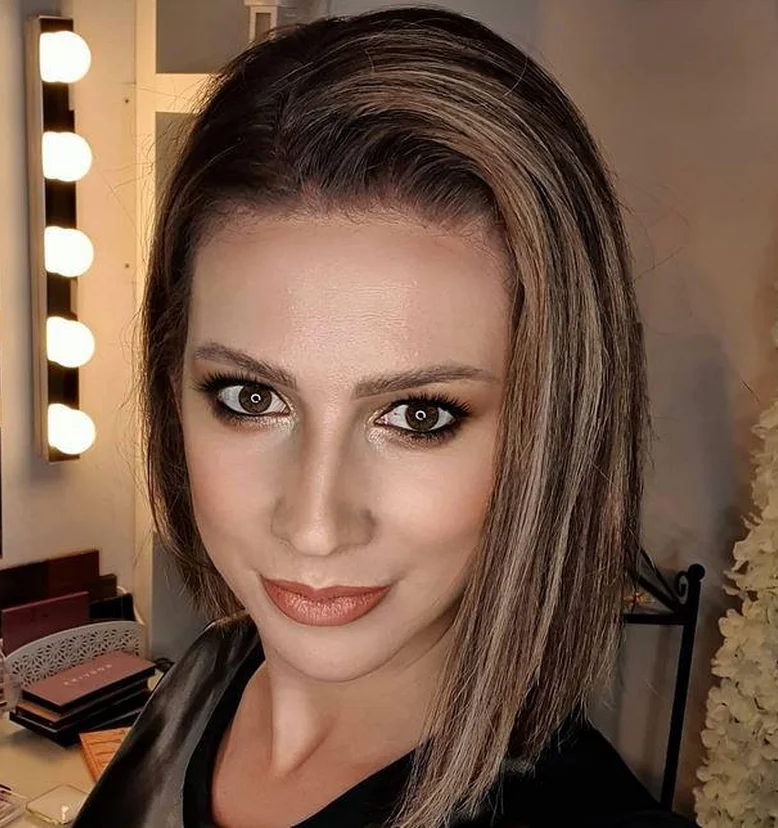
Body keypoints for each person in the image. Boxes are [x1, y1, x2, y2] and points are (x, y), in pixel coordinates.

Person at [74, 7, 699, 828]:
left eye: (419, 415)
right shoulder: (206, 675)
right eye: (251, 398)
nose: (314, 527)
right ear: (172, 387)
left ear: (549, 434)